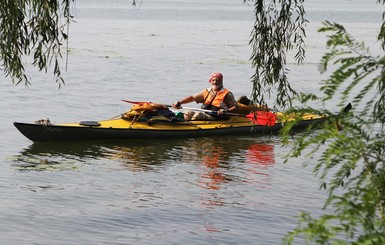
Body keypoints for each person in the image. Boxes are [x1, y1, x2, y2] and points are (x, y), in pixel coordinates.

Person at [172, 72, 239, 120]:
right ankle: (184, 125)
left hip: (217, 117)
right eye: (213, 80)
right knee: (188, 112)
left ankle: (190, 129)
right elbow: (192, 98)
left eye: (217, 80)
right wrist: (180, 103)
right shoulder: (206, 91)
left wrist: (226, 110)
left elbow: (235, 106)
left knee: (199, 114)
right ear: (210, 81)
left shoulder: (227, 93)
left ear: (221, 81)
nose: (215, 82)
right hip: (206, 114)